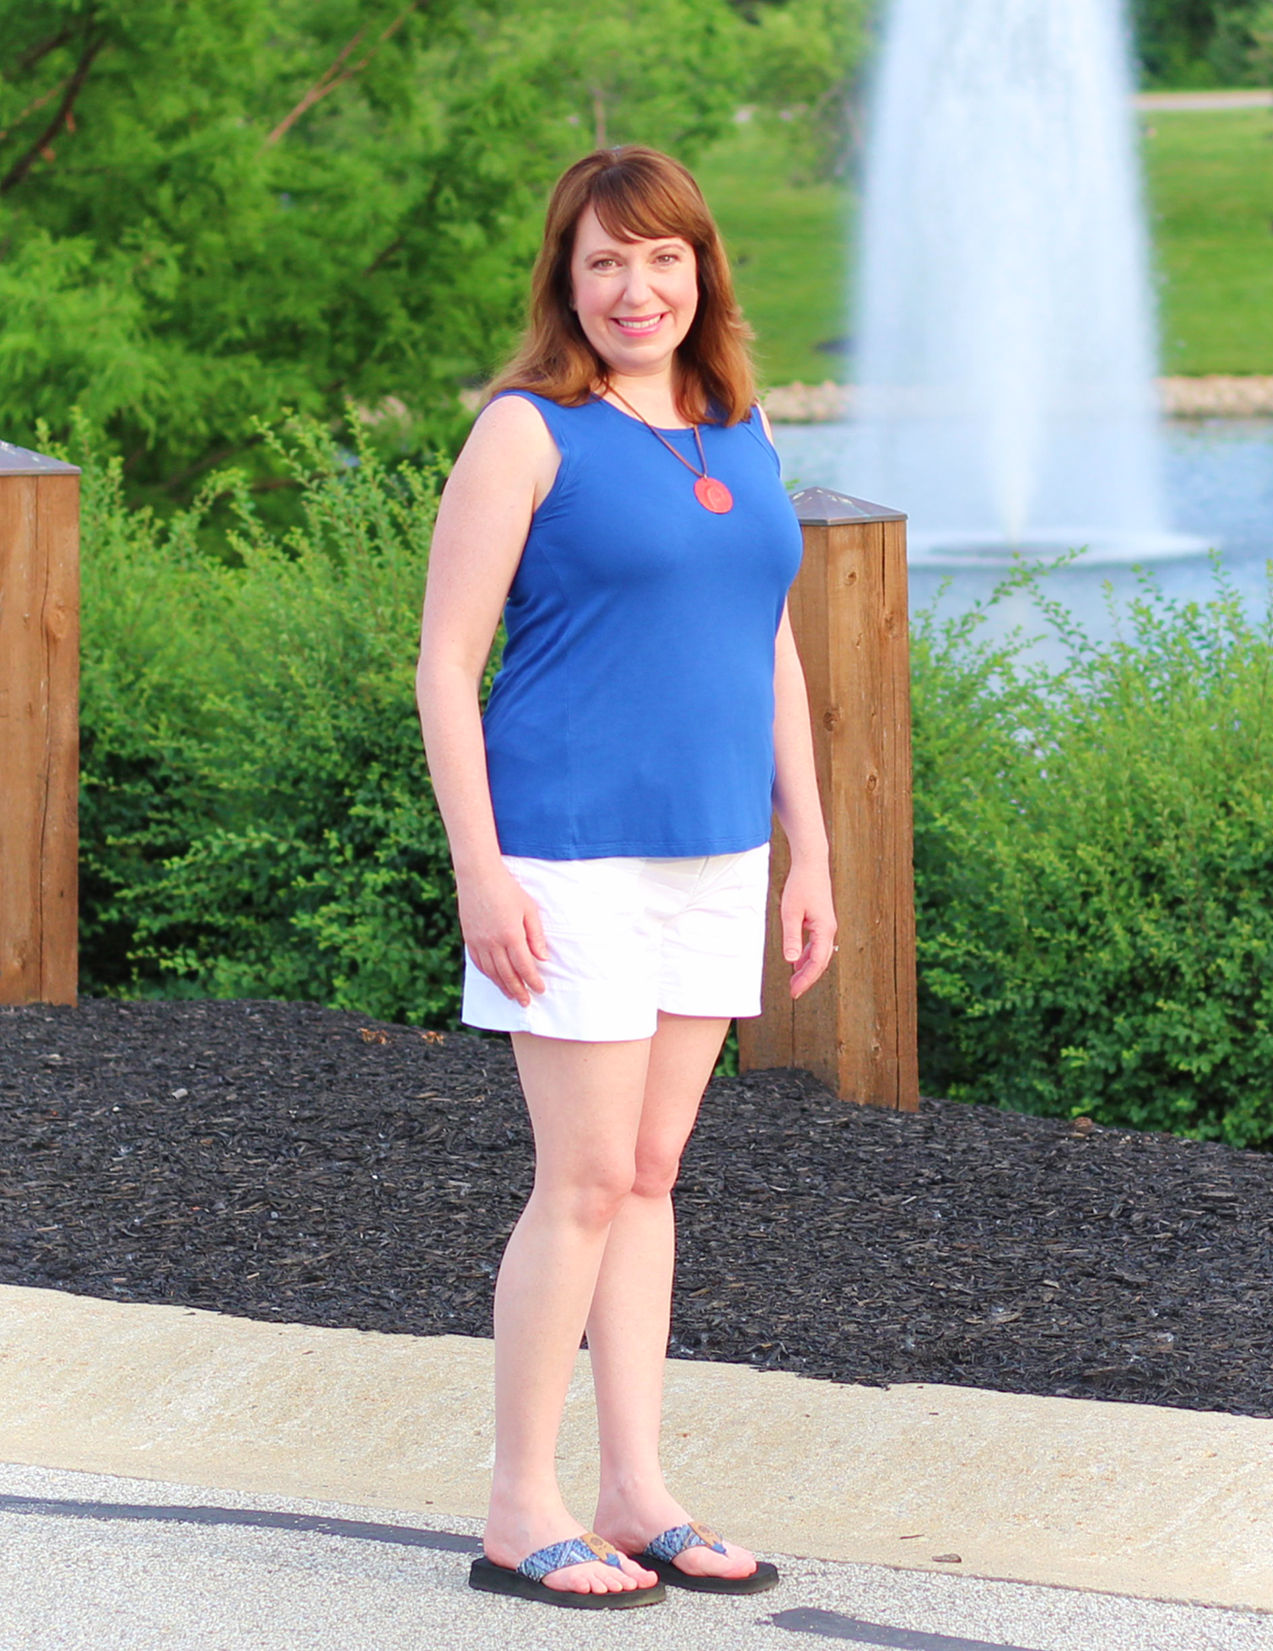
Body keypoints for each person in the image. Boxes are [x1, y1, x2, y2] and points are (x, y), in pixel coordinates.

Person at [416, 145, 836, 1612]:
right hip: (565, 855)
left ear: (701, 268)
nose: (634, 287)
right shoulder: (526, 432)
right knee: (584, 1180)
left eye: (659, 258)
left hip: (714, 853)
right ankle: (517, 1507)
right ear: (565, 282)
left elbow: (766, 645)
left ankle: (636, 1493)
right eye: (602, 262)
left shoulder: (740, 427)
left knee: (652, 1177)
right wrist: (482, 872)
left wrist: (810, 848)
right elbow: (443, 669)